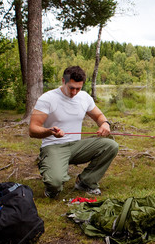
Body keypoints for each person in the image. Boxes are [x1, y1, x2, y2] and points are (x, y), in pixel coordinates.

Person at [29, 66, 119, 198]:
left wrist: (105, 124)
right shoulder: (47, 98)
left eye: (78, 88)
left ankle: (85, 182)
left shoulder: (84, 97)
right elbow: (33, 129)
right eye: (71, 87)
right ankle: (52, 183)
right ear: (63, 81)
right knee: (55, 184)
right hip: (53, 146)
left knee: (111, 145)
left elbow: (99, 116)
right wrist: (50, 132)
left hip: (77, 146)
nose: (74, 92)